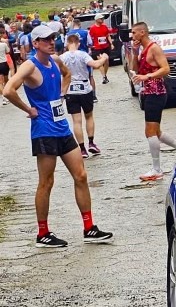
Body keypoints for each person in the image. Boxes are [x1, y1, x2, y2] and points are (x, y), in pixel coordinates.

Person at [2, 25, 113, 248]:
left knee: (81, 175)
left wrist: (62, 93)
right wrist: (29, 109)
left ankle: (89, 228)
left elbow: (67, 74)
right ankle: (42, 233)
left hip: (62, 127)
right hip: (44, 130)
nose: (51, 42)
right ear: (35, 43)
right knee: (47, 182)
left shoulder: (55, 60)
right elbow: (8, 90)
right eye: (45, 39)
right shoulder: (29, 66)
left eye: (53, 38)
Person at [128, 22, 176, 182]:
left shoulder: (154, 48)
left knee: (150, 131)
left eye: (134, 32)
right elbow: (134, 69)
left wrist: (148, 76)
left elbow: (165, 68)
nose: (132, 36)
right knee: (156, 131)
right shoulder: (143, 49)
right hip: (148, 93)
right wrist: (134, 51)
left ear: (142, 32)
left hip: (156, 92)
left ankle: (157, 169)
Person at [61, 33, 108, 158]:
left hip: (70, 90)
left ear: (67, 43)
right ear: (78, 43)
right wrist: (104, 58)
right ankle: (91, 143)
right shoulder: (83, 54)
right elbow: (96, 65)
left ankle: (82, 149)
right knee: (89, 117)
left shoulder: (62, 57)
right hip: (85, 89)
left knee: (76, 121)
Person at [88, 14, 112, 84]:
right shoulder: (92, 28)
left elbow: (108, 35)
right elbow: (90, 38)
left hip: (105, 46)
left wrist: (111, 43)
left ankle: (105, 74)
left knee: (106, 61)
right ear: (97, 19)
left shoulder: (104, 26)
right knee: (100, 62)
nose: (102, 20)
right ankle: (104, 76)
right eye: (101, 19)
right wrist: (91, 46)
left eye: (103, 19)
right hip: (97, 47)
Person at [0, 27, 13, 104]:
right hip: (4, 63)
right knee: (6, 80)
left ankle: (3, 96)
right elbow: (8, 51)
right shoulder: (3, 44)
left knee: (0, 82)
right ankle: (7, 94)